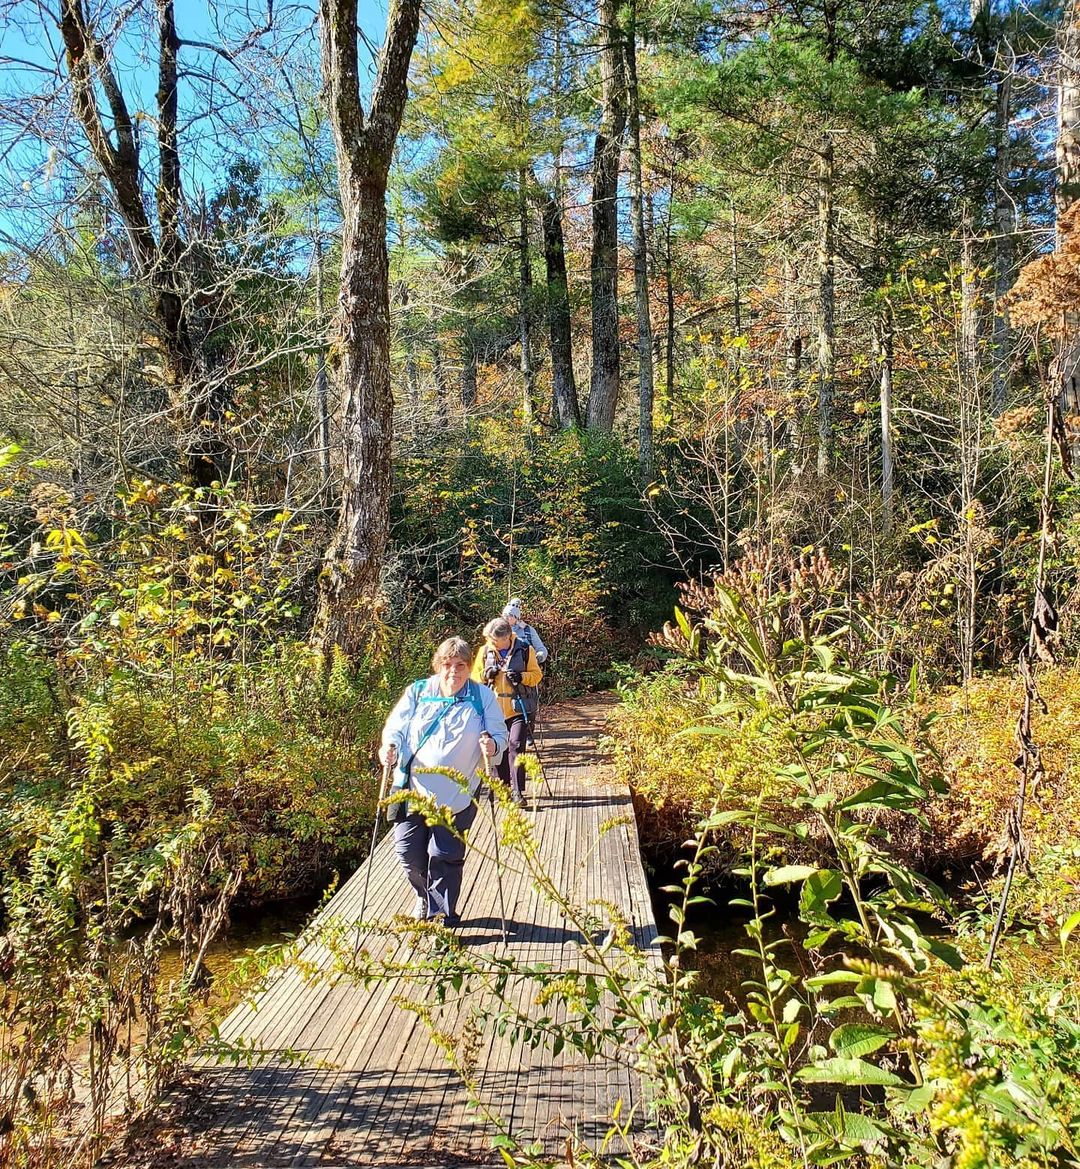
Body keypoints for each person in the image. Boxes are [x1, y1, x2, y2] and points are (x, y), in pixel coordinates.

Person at [379, 637, 507, 925]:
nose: (453, 671)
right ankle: (424, 895)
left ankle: (443, 917)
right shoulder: (419, 691)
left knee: (445, 855)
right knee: (408, 854)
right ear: (438, 666)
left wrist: (493, 746)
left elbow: (499, 735)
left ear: (468, 666)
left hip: (457, 796)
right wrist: (390, 746)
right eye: (447, 665)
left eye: (460, 665)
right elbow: (396, 727)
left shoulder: (481, 696)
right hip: (412, 791)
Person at [473, 617, 542, 806]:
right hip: (493, 709)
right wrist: (485, 675)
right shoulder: (485, 651)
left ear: (506, 637)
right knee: (500, 749)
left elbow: (536, 676)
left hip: (518, 707)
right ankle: (503, 788)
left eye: (495, 640)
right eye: (490, 640)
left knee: (516, 744)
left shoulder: (526, 649)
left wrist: (521, 677)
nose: (491, 643)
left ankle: (518, 791)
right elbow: (474, 678)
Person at [502, 599, 549, 664]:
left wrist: (539, 657)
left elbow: (541, 649)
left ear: (516, 618)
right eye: (505, 615)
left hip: (525, 670)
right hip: (503, 669)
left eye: (510, 615)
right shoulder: (498, 630)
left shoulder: (528, 631)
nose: (506, 617)